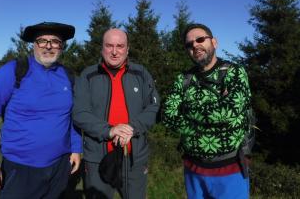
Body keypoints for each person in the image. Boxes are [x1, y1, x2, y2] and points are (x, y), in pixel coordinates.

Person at [0, 22, 82, 199]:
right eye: (42, 40)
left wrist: (75, 148)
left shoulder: (68, 76)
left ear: (62, 46)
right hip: (20, 168)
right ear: (34, 44)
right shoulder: (13, 72)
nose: (48, 46)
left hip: (60, 166)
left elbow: (71, 116)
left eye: (55, 41)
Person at [163, 23, 252, 199]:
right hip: (193, 170)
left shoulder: (234, 72)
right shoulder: (184, 79)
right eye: (189, 44)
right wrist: (213, 116)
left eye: (200, 39)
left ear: (214, 42)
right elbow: (167, 116)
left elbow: (229, 110)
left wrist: (187, 110)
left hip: (230, 169)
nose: (195, 45)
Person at [73, 28, 160, 199]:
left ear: (127, 49)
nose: (114, 51)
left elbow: (154, 107)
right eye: (109, 46)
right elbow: (79, 113)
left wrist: (133, 127)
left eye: (120, 46)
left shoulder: (141, 73)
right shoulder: (88, 75)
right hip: (98, 158)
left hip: (134, 158)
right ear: (102, 48)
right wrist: (109, 130)